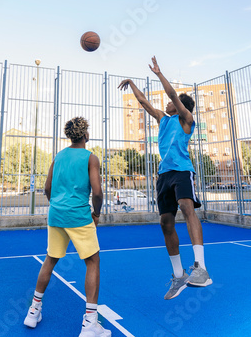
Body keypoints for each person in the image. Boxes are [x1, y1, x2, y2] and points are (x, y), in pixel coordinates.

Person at [118, 56, 212, 300]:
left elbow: (172, 95)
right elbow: (143, 102)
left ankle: (200, 268)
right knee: (165, 222)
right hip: (164, 174)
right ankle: (179, 275)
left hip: (182, 171)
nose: (168, 104)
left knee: (186, 206)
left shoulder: (187, 120)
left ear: (180, 106)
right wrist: (131, 82)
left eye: (174, 103)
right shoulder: (163, 119)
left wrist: (159, 74)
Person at [24, 116, 111, 336]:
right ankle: (90, 322)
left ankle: (33, 311)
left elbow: (47, 187)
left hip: (56, 214)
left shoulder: (59, 156)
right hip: (79, 215)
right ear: (85, 135)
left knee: (50, 259)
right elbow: (98, 192)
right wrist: (97, 213)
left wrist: (57, 205)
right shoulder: (90, 158)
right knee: (93, 261)